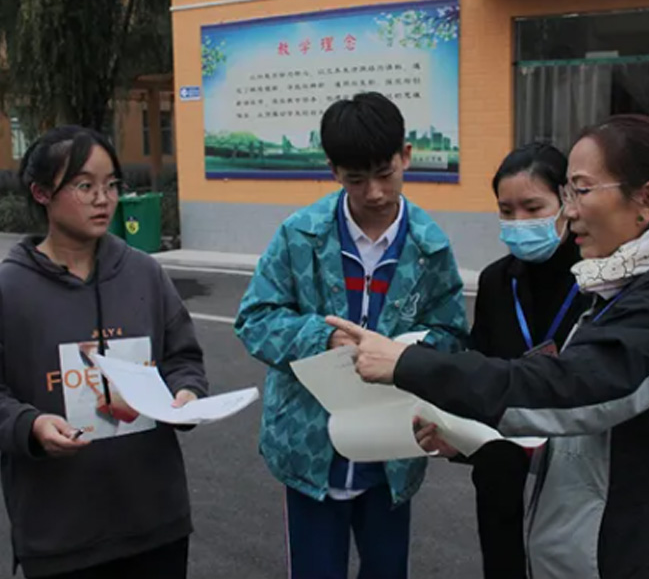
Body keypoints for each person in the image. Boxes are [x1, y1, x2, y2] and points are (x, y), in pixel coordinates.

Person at [327, 114, 649, 579]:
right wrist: (469, 441)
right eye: (568, 194)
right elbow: (590, 447)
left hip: (631, 561)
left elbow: (573, 391)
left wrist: (408, 363)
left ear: (647, 200)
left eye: (579, 190)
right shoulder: (616, 289)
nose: (571, 209)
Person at [235, 92, 469, 579]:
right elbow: (254, 318)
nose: (376, 193)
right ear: (333, 170)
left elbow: (451, 333)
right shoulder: (300, 235)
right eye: (356, 179)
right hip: (309, 451)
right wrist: (321, 340)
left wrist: (409, 355)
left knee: (387, 570)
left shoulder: (430, 247)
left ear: (406, 156)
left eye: (386, 174)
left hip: (393, 451)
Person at [0, 126, 208, 579]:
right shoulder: (9, 289)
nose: (103, 198)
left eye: (112, 185)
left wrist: (187, 394)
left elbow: (183, 359)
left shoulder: (144, 274)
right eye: (84, 185)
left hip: (155, 523)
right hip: (60, 536)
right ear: (41, 193)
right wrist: (30, 425)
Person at [466, 142, 591, 579]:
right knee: (500, 545)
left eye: (533, 207)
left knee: (565, 546)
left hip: (575, 442)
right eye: (507, 210)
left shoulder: (597, 277)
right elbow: (478, 358)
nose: (519, 222)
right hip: (504, 441)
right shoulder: (497, 280)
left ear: (566, 201)